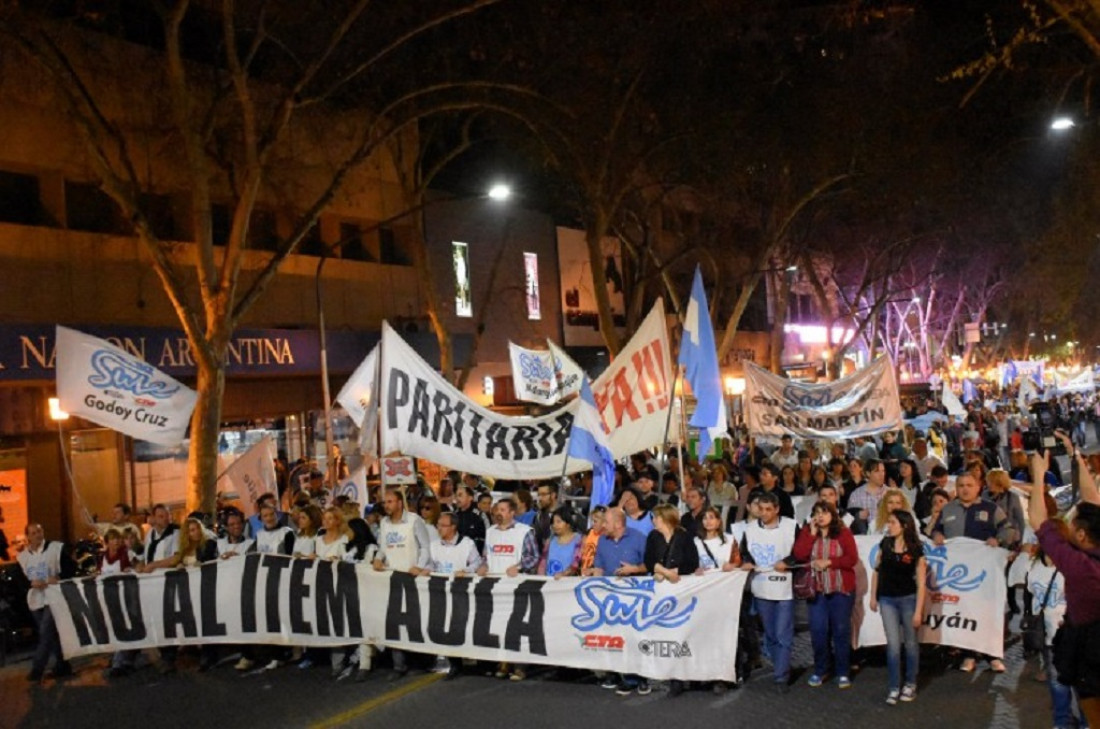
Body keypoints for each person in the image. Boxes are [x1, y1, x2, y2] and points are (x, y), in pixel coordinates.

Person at [1028, 449, 1100, 727]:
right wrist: (1078, 458)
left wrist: (1038, 475)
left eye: (1071, 524)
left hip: (1092, 660)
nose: (1067, 526)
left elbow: (1038, 521)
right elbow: (1092, 502)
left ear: (1081, 534)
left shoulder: (1080, 565)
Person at [792, 501, 858, 689]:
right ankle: (821, 669)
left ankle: (843, 671)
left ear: (833, 515)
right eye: (817, 512)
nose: (821, 516)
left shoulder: (843, 534)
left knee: (840, 630)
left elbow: (851, 558)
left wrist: (829, 562)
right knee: (818, 631)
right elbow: (799, 554)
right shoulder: (808, 533)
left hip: (840, 589)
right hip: (817, 591)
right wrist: (811, 534)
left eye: (825, 512)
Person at [585, 507, 650, 696]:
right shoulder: (602, 541)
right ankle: (613, 674)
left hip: (634, 597)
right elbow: (599, 567)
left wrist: (635, 569)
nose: (602, 525)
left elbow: (651, 564)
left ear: (618, 523)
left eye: (606, 521)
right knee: (611, 636)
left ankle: (638, 678)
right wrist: (593, 582)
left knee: (633, 637)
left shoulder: (639, 538)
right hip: (608, 598)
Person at [143, 517, 219, 672]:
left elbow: (208, 559)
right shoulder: (184, 549)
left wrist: (201, 564)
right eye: (191, 530)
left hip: (204, 591)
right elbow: (174, 560)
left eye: (196, 528)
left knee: (206, 622)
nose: (195, 532)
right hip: (186, 593)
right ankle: (169, 658)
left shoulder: (209, 544)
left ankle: (208, 656)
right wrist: (159, 565)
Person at [740, 490, 798, 693]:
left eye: (768, 510)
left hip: (784, 588)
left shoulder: (791, 527)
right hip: (762, 588)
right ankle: (779, 667)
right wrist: (747, 562)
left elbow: (799, 552)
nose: (763, 513)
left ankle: (781, 676)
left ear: (777, 509)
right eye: (760, 509)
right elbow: (744, 552)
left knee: (783, 634)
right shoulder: (749, 529)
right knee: (771, 634)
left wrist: (788, 561)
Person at [869, 509, 927, 705]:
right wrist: (873, 596)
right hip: (887, 600)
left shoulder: (916, 550)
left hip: (908, 599)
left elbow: (921, 583)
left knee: (910, 643)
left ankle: (910, 683)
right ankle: (894, 686)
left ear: (904, 526)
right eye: (889, 522)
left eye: (892, 522)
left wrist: (919, 610)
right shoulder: (885, 544)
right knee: (893, 645)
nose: (889, 526)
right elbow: (877, 570)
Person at [373, 487, 432, 679]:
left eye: (390, 501)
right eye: (385, 502)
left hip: (412, 578)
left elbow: (425, 546)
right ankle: (398, 665)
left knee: (414, 620)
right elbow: (383, 547)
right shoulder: (384, 523)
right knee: (394, 620)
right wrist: (378, 558)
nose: (386, 505)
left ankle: (421, 662)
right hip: (392, 578)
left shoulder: (415, 521)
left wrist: (419, 566)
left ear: (399, 503)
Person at [477, 498, 537, 681]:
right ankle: (503, 661)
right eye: (497, 509)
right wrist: (484, 565)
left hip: (516, 586)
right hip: (496, 588)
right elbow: (486, 556)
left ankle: (519, 666)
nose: (498, 513)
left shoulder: (525, 532)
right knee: (499, 625)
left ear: (512, 512)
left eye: (503, 509)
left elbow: (533, 556)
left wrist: (518, 567)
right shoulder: (490, 532)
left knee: (517, 625)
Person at [645, 504, 699, 697]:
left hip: (682, 592)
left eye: (656, 517)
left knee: (682, 632)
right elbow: (648, 560)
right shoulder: (653, 537)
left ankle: (683, 675)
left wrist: (676, 571)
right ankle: (671, 674)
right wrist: (664, 571)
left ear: (666, 518)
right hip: (661, 592)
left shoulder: (683, 536)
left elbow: (692, 562)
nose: (653, 521)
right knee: (665, 633)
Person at [426, 511, 482, 679]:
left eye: (443, 526)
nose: (439, 529)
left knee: (463, 625)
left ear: (453, 527)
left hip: (462, 592)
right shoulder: (434, 545)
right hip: (442, 593)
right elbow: (431, 565)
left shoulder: (466, 544)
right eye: (438, 525)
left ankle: (473, 660)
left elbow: (477, 562)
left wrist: (466, 571)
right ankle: (454, 663)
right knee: (446, 626)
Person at [18, 523, 76, 682]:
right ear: (28, 537)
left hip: (53, 596)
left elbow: (71, 567)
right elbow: (22, 580)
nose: (37, 535)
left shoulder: (55, 549)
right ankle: (63, 665)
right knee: (52, 634)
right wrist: (31, 583)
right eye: (33, 533)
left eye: (39, 531)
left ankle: (37, 668)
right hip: (36, 599)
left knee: (45, 632)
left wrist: (58, 577)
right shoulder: (23, 557)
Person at [539, 506, 582, 578]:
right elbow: (542, 563)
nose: (555, 525)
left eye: (558, 522)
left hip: (566, 585)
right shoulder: (550, 540)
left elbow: (576, 564)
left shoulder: (578, 540)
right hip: (549, 584)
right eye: (553, 522)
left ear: (568, 523)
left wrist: (564, 574)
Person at [453, 484, 486, 553]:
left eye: (460, 495)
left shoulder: (479, 515)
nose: (457, 498)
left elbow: (488, 535)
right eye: (456, 496)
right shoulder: (454, 515)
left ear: (470, 498)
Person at [578, 505, 607, 573]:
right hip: (582, 571)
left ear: (604, 523)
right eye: (592, 521)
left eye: (595, 521)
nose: (592, 524)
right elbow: (579, 553)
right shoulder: (588, 533)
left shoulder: (607, 537)